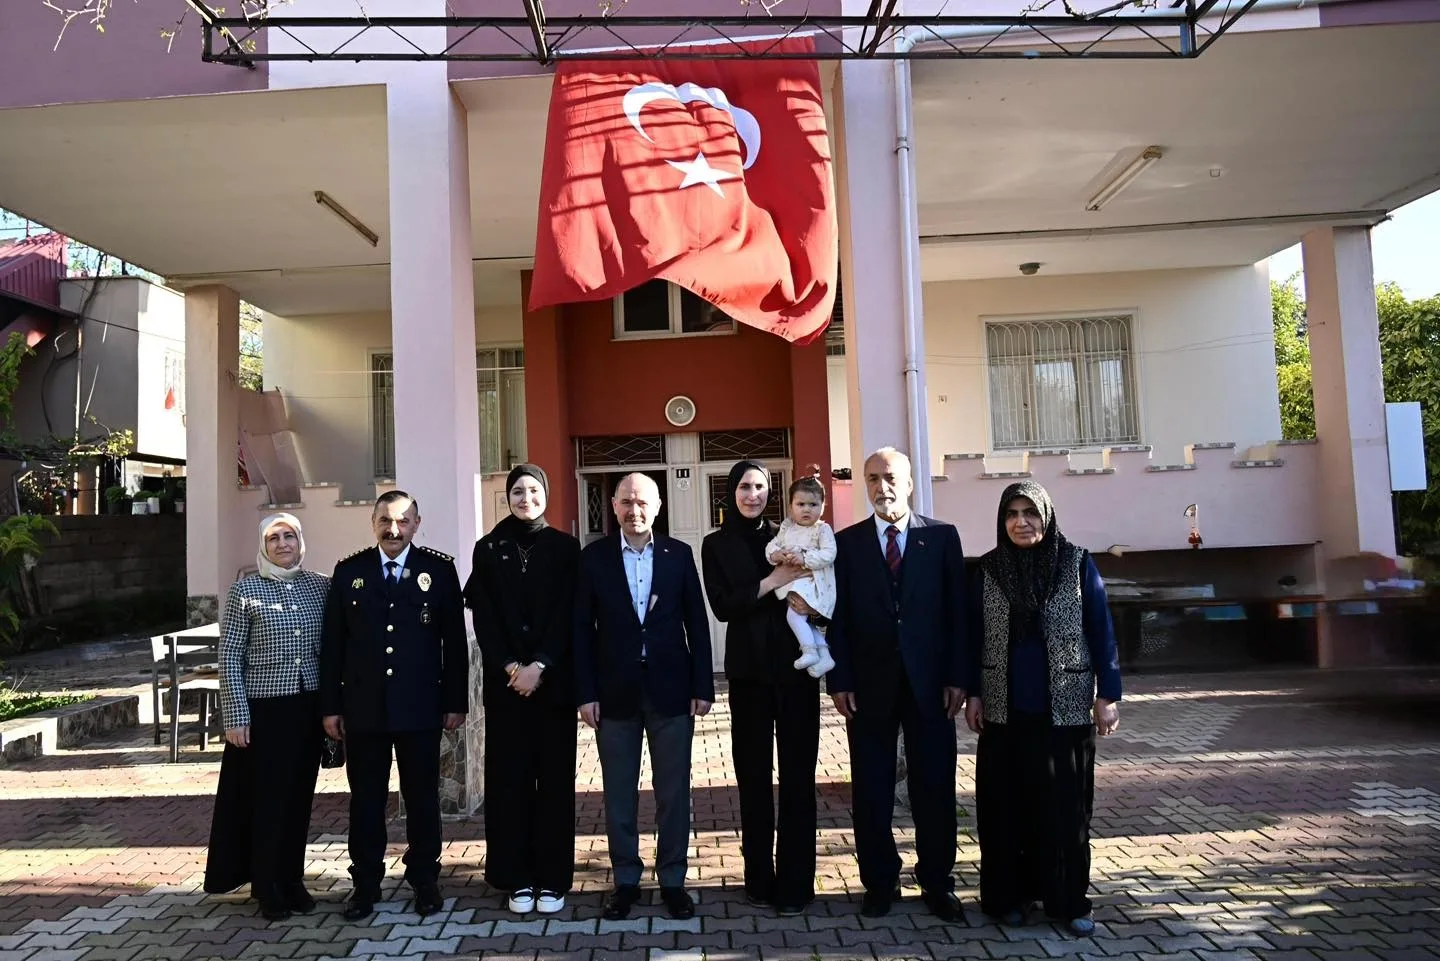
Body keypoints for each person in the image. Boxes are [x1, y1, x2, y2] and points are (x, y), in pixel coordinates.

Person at [964, 481, 1122, 937]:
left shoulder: (1076, 563)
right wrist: (974, 692)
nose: (1020, 521)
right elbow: (972, 636)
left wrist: (1107, 694)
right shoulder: (988, 570)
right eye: (1012, 513)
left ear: (1047, 515)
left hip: (1066, 710)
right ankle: (1009, 898)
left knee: (1064, 809)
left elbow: (1101, 629)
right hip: (1005, 709)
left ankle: (1068, 900)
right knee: (1006, 808)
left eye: (1029, 512)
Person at [827, 446, 968, 922]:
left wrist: (957, 677)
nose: (881, 487)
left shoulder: (943, 539)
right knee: (872, 788)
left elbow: (958, 615)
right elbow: (838, 618)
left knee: (934, 786)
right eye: (871, 478)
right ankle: (879, 882)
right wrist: (839, 678)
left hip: (931, 686)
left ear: (909, 482)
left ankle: (937, 881)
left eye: (889, 477)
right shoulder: (846, 545)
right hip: (868, 686)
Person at [319, 491, 469, 922]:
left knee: (422, 798)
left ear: (417, 524)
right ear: (373, 522)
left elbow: (454, 645)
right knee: (366, 800)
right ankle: (365, 884)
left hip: (420, 708)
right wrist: (331, 706)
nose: (394, 529)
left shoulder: (438, 571)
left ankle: (425, 881)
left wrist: (455, 701)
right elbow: (333, 647)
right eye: (386, 520)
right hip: (363, 710)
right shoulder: (350, 571)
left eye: (403, 521)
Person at [574, 472, 713, 921]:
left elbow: (697, 621)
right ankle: (626, 880)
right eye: (626, 502)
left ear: (657, 507)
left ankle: (673, 879)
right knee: (618, 793)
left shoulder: (679, 555)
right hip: (613, 694)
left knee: (673, 791)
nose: (634, 511)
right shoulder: (593, 558)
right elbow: (581, 630)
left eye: (642, 503)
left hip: (671, 691)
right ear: (613, 507)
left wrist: (702, 686)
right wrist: (586, 692)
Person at [700, 461, 818, 915]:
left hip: (795, 674)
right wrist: (773, 582)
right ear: (731, 492)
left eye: (761, 487)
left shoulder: (788, 535)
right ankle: (758, 879)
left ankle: (795, 882)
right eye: (745, 486)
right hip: (748, 676)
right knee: (753, 778)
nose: (752, 494)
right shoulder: (715, 544)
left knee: (797, 778)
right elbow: (725, 606)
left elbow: (819, 585)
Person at [463, 464, 581, 915]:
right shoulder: (488, 548)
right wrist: (513, 665)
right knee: (509, 782)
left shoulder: (566, 549)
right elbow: (484, 616)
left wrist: (542, 663)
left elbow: (571, 615)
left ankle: (552, 879)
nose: (525, 497)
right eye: (517, 490)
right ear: (507, 497)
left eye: (534, 489)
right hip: (507, 684)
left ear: (545, 495)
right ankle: (516, 878)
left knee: (553, 781)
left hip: (553, 686)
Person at [205, 512, 329, 920]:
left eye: (289, 535)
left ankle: (292, 879)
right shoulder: (245, 591)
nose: (282, 544)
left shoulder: (320, 587)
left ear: (300, 541)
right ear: (263, 546)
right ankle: (266, 884)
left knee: (299, 798)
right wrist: (236, 716)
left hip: (307, 707)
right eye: (273, 537)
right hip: (264, 711)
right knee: (268, 800)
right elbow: (230, 656)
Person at [765, 471, 838, 678]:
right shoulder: (787, 528)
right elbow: (772, 545)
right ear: (791, 507)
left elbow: (829, 554)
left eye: (813, 505)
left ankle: (809, 651)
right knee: (802, 619)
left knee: (794, 616)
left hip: (812, 584)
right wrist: (775, 554)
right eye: (801, 504)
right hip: (793, 584)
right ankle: (824, 655)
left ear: (823, 506)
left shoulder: (822, 530)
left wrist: (805, 558)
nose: (807, 509)